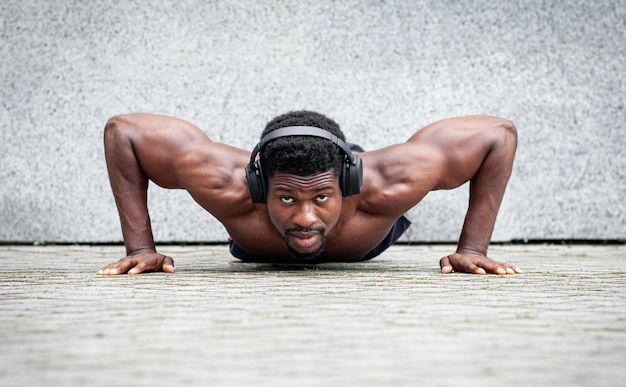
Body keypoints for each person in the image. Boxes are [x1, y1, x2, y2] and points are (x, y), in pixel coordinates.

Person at [97, 110, 521, 275]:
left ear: (349, 184)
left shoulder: (390, 183)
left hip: (366, 234)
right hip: (257, 243)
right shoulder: (226, 184)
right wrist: (140, 247)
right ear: (260, 185)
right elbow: (124, 132)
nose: (304, 218)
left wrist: (473, 247)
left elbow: (498, 135)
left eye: (320, 197)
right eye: (285, 198)